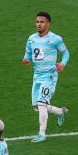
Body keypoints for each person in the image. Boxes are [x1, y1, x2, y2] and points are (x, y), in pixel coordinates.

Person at [22, 11, 69, 142]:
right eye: (37, 22)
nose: (39, 24)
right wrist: (26, 59)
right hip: (37, 76)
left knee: (41, 103)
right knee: (37, 106)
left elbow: (66, 53)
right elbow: (28, 52)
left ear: (48, 24)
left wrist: (63, 63)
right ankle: (60, 112)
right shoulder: (31, 38)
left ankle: (42, 134)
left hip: (49, 76)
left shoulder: (55, 39)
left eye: (42, 22)